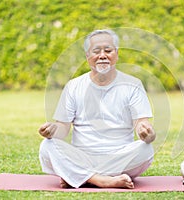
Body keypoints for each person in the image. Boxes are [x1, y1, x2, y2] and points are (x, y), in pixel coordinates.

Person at [38, 29, 156, 189]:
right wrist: (53, 129)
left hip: (119, 156)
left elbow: (142, 124)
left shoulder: (133, 85)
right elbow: (63, 128)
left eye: (108, 50)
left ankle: (78, 176)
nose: (102, 55)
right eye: (96, 51)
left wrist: (147, 133)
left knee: (146, 149)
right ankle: (102, 180)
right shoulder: (73, 86)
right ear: (87, 56)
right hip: (82, 156)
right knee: (47, 146)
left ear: (116, 54)